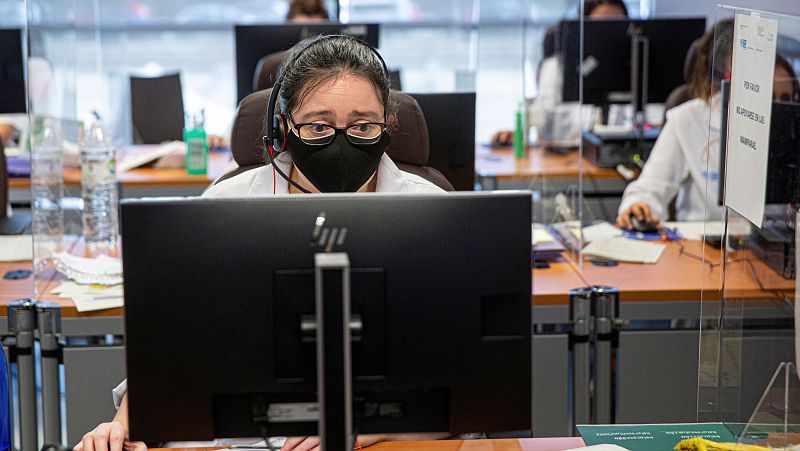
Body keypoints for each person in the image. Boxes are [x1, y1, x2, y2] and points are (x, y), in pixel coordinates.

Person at [76, 35, 445, 451]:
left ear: (387, 127)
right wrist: (124, 425)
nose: (341, 141)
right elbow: (171, 350)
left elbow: (468, 385)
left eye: (363, 125)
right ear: (284, 128)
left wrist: (371, 426)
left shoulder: (434, 213)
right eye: (319, 125)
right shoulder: (223, 207)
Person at [616, 21, 798, 229]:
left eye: (785, 99)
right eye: (768, 97)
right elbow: (650, 188)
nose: (777, 107)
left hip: (774, 248)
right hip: (703, 248)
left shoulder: (791, 129)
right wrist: (638, 206)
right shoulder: (689, 119)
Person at [491, 0, 629, 146]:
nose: (609, 33)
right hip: (570, 157)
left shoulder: (637, 68)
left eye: (617, 25)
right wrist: (518, 134)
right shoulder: (556, 67)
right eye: (601, 26)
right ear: (582, 26)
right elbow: (544, 121)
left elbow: (649, 120)